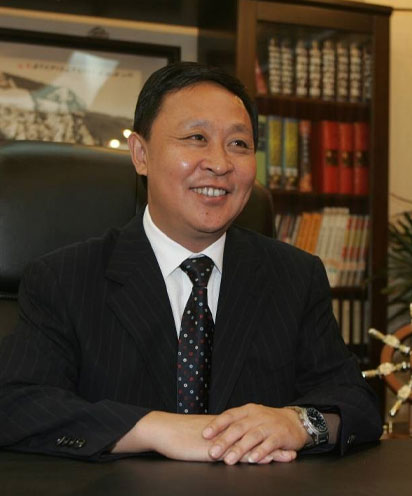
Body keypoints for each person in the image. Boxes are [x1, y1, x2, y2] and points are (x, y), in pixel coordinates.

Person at [0, 62, 382, 464]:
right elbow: (15, 403)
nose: (220, 163)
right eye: (197, 138)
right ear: (141, 154)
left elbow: (356, 403)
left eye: (239, 144)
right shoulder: (65, 279)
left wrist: (300, 423)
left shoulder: (295, 277)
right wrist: (150, 428)